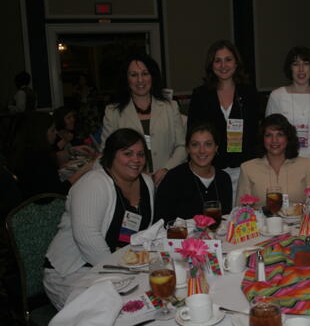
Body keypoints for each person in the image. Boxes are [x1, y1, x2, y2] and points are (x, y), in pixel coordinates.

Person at [43, 128, 155, 310]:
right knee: (111, 308)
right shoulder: (93, 184)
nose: (136, 160)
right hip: (74, 272)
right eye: (127, 153)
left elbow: (143, 234)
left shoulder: (146, 183)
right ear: (111, 155)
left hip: (121, 267)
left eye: (141, 154)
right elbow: (87, 238)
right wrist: (125, 274)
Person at [187, 40, 259, 198]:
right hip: (211, 169)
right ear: (211, 65)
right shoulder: (201, 95)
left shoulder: (249, 93)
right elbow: (192, 133)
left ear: (236, 63)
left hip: (244, 168)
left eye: (228, 59)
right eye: (217, 60)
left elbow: (256, 134)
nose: (223, 65)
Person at [101, 54, 186, 185]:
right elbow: (106, 153)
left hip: (168, 179)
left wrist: (166, 169)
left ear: (152, 77)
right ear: (126, 79)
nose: (140, 80)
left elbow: (182, 146)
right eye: (134, 75)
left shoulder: (170, 107)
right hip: (130, 183)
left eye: (145, 73)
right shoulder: (113, 112)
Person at [265, 46, 310, 192]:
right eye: (296, 64)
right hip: (284, 166)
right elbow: (269, 135)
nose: (301, 69)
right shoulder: (277, 96)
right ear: (290, 69)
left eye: (306, 63)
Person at [236, 114, 310, 208]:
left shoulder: (306, 165)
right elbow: (240, 210)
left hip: (299, 222)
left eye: (280, 134)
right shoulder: (248, 168)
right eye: (268, 135)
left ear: (288, 138)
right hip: (260, 222)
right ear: (262, 139)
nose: (274, 140)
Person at [155, 122, 232, 222]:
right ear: (187, 148)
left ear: (216, 148)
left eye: (208, 144)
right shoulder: (173, 179)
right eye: (195, 145)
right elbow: (161, 223)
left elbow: (225, 220)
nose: (202, 150)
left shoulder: (224, 179)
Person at [10, 112, 94, 199]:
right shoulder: (39, 159)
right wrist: (85, 169)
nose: (56, 133)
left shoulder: (26, 152)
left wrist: (71, 151)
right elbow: (60, 191)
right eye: (52, 130)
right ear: (40, 134)